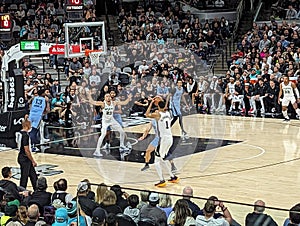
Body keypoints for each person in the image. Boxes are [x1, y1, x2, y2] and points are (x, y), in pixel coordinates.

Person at [145, 98, 179, 187]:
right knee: (162, 158)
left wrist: (151, 103)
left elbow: (146, 114)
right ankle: (172, 177)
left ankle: (161, 180)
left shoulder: (158, 114)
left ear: (158, 106)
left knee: (156, 160)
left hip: (163, 139)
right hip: (170, 138)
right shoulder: (168, 113)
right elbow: (164, 107)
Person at [88, 92, 132, 157]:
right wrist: (89, 95)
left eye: (109, 96)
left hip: (112, 120)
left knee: (122, 132)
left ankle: (122, 146)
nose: (108, 97)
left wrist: (129, 98)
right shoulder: (102, 103)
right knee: (103, 135)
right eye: (107, 96)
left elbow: (124, 103)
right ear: (105, 98)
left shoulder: (114, 103)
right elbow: (92, 102)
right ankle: (97, 151)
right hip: (105, 121)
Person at [16, 115, 38, 191]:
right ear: (27, 124)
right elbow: (27, 150)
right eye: (30, 123)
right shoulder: (25, 135)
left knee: (33, 176)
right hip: (25, 158)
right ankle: (21, 194)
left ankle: (37, 190)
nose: (31, 125)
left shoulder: (19, 133)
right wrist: (33, 160)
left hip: (21, 156)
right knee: (24, 178)